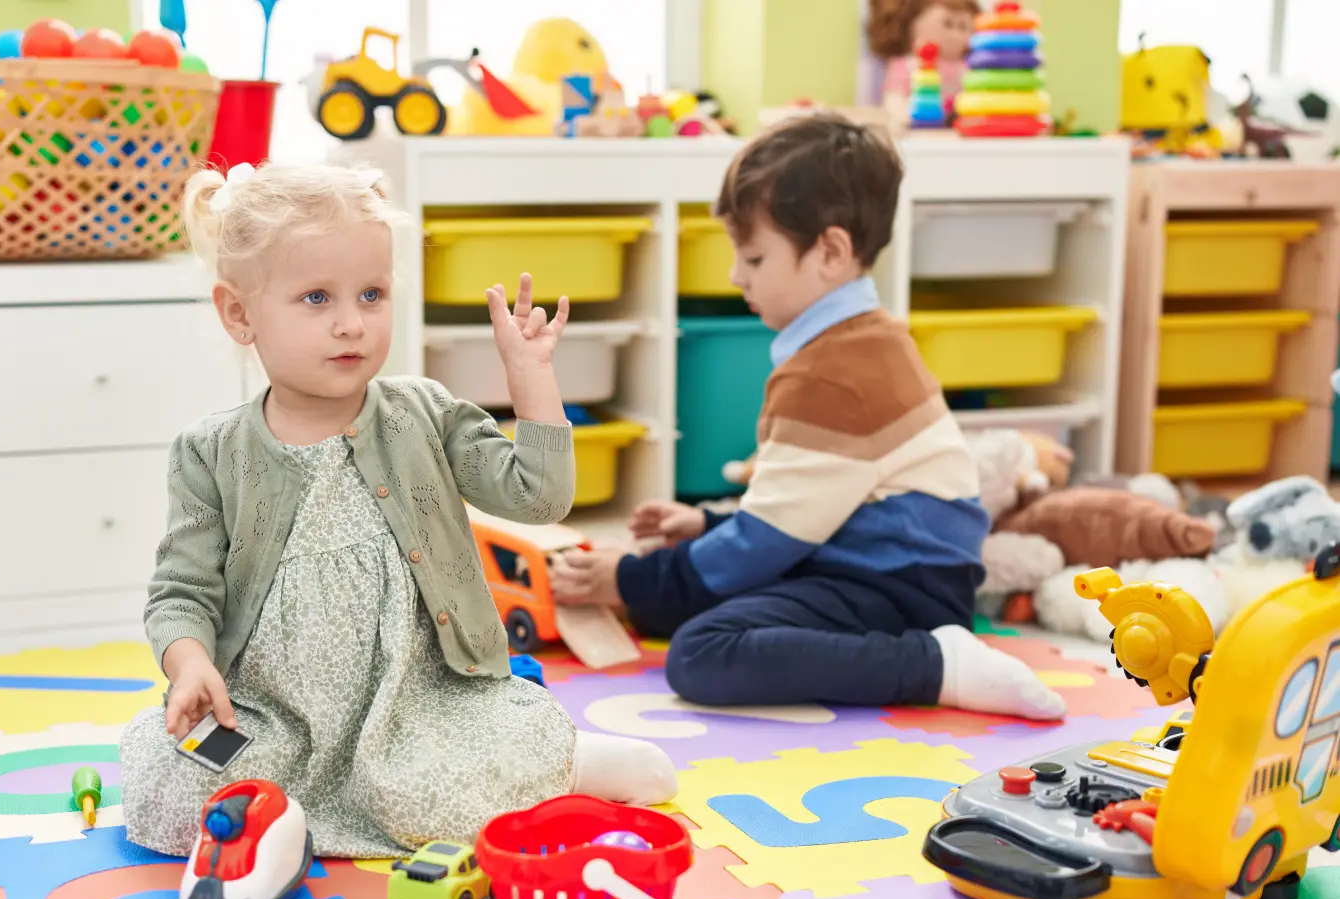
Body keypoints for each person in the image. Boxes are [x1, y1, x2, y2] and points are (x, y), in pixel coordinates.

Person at [119, 162, 675, 859]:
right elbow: (182, 589)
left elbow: (539, 497)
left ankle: (568, 762)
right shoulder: (210, 451)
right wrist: (189, 661)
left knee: (439, 775)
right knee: (166, 791)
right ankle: (296, 812)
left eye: (371, 294)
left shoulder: (425, 414)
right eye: (316, 298)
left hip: (420, 704)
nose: (352, 323)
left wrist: (532, 382)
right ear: (239, 313)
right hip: (275, 716)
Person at [549, 113, 1065, 722]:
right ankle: (925, 651)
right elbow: (814, 500)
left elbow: (768, 542)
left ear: (831, 252)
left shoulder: (832, 370)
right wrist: (708, 522)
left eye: (755, 258)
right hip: (875, 560)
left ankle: (934, 665)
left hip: (896, 586)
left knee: (703, 653)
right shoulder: (859, 340)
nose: (737, 276)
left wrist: (633, 579)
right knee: (680, 597)